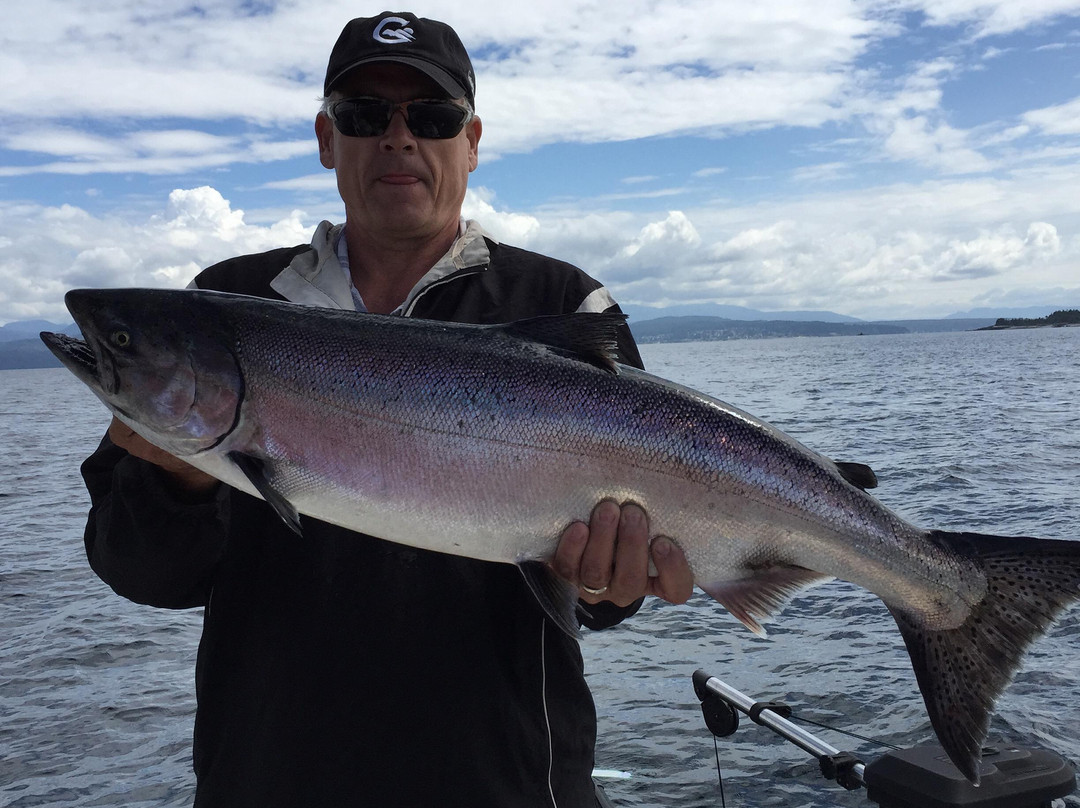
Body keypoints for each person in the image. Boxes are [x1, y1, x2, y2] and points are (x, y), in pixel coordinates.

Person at [80, 12, 693, 808]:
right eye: (365, 115)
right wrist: (181, 479)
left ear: (471, 142)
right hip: (268, 781)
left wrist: (612, 583)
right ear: (327, 140)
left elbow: (603, 600)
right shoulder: (217, 308)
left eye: (430, 118)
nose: (398, 139)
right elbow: (137, 571)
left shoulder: (562, 302)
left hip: (507, 782)